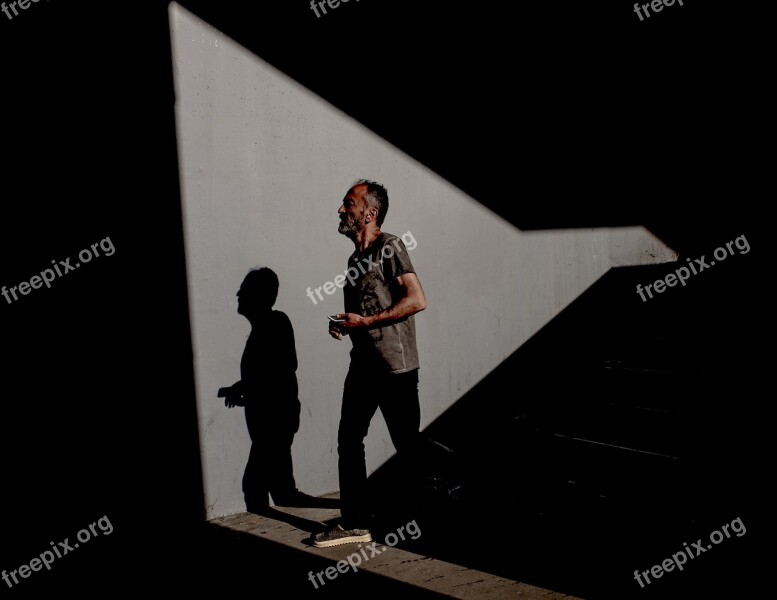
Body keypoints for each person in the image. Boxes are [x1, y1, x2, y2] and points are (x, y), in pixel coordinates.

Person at [313, 180, 428, 548]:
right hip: (363, 366)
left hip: (395, 368)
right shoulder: (354, 260)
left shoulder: (390, 247)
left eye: (348, 203)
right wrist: (348, 326)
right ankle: (355, 522)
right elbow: (367, 311)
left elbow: (416, 299)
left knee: (407, 445)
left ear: (369, 213)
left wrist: (365, 322)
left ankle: (423, 519)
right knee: (349, 440)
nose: (340, 209)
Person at [221, 267, 309, 513]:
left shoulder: (276, 323)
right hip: (273, 420)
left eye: (245, 289)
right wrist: (243, 388)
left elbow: (281, 368)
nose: (238, 293)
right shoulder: (266, 327)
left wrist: (247, 387)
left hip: (275, 421)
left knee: (254, 485)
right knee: (281, 490)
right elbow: (270, 372)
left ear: (257, 295)